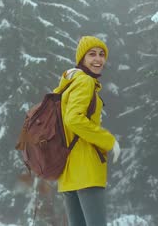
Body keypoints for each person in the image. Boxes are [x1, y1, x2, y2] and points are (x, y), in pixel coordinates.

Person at [53, 35, 121, 226]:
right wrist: (108, 141)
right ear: (82, 58)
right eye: (92, 54)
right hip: (86, 169)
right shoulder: (84, 82)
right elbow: (74, 119)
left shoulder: (69, 83)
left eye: (101, 54)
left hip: (68, 170)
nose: (98, 59)